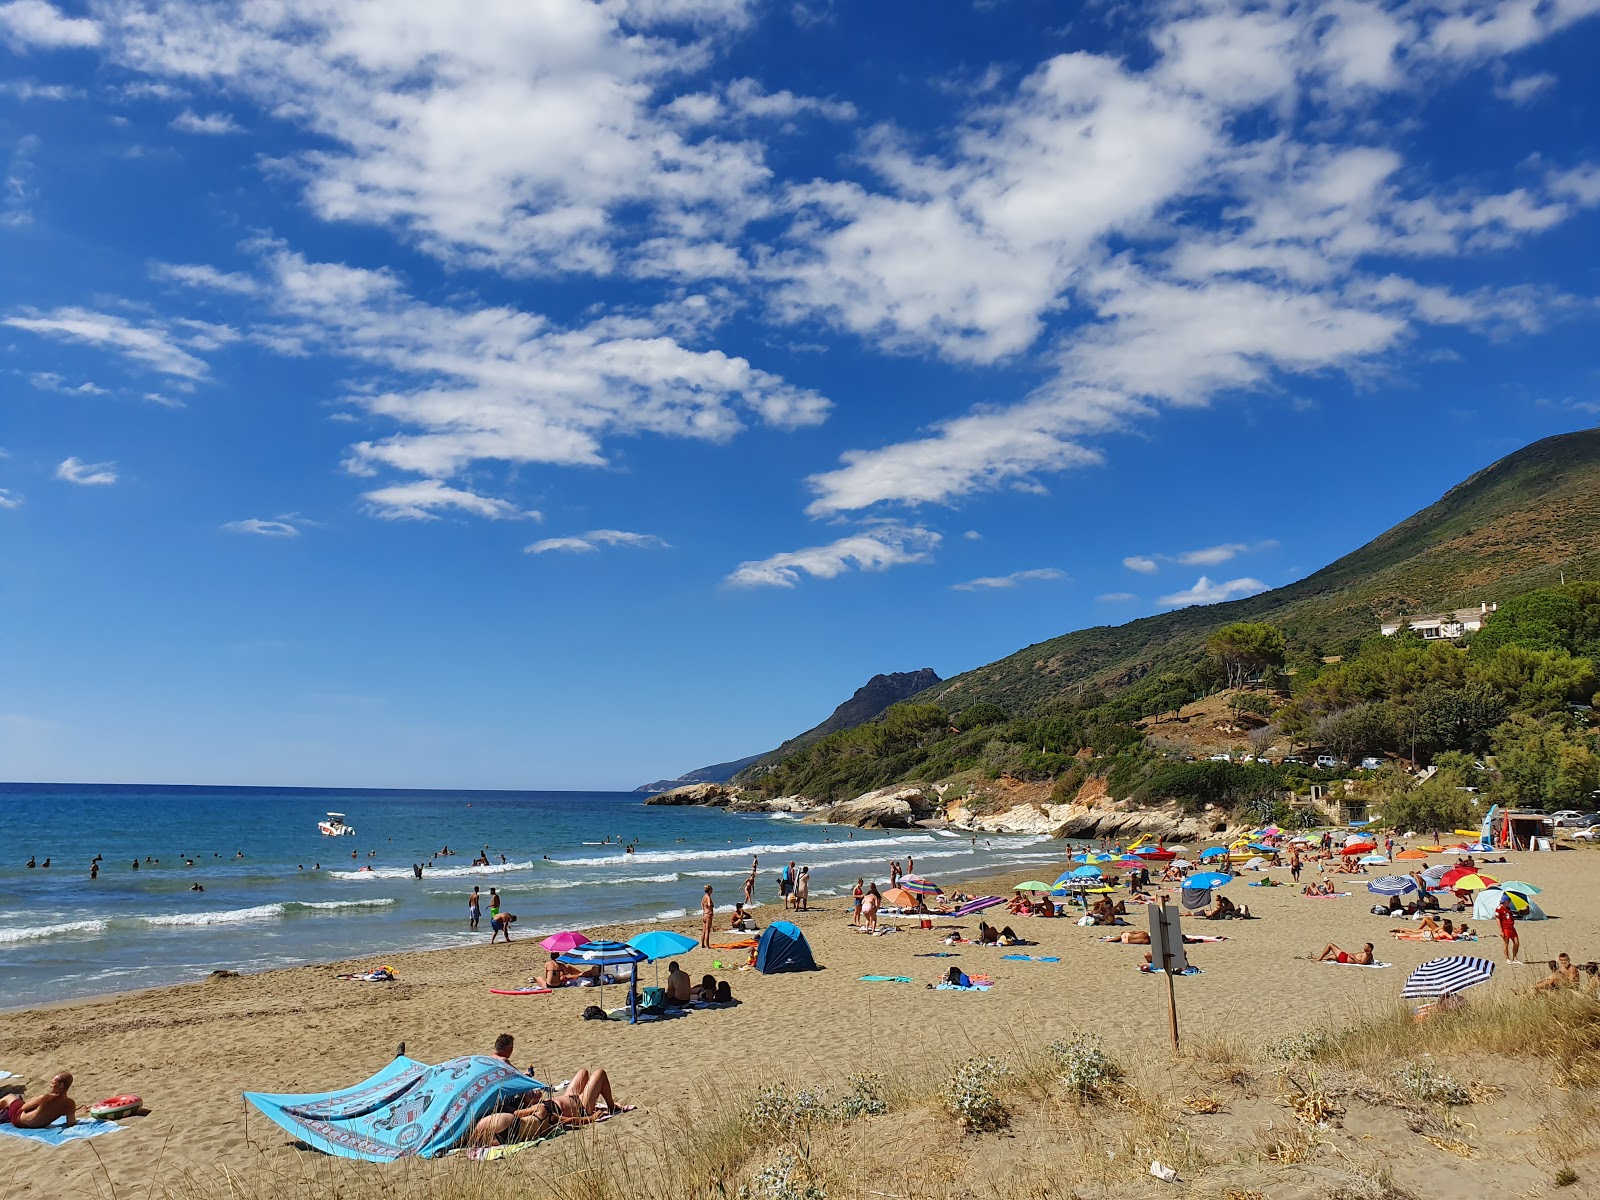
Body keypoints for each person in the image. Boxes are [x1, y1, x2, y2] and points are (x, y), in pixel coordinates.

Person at [469, 1069, 626, 1145]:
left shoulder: (533, 1110)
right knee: (599, 1073)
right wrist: (590, 1118)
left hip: (568, 1097)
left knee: (583, 1072)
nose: (534, 1093)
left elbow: (515, 1112)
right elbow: (569, 1121)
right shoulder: (543, 1114)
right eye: (531, 1094)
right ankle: (612, 1106)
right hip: (581, 1106)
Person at [0, 1072, 77, 1129]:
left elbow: (23, 1108)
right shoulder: (70, 1104)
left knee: (9, 1097)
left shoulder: (44, 1098)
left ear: (61, 1085)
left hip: (19, 1121)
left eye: (53, 1083)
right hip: (40, 1125)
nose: (50, 1086)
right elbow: (71, 1122)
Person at [1494, 895, 1521, 963]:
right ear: (1506, 901)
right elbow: (1498, 919)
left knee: (1516, 942)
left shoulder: (1508, 908)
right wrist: (1501, 931)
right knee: (1506, 943)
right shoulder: (1499, 908)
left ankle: (1515, 957)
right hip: (1505, 928)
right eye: (1509, 901)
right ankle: (1507, 958)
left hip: (1511, 927)